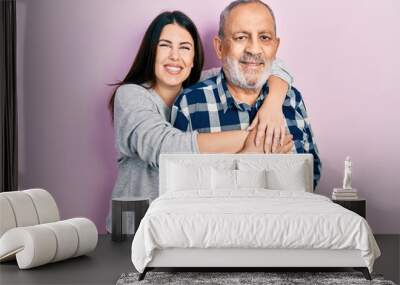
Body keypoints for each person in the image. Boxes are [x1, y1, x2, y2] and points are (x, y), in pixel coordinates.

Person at [106, 10, 293, 233]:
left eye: (185, 48)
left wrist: (272, 104)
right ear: (151, 52)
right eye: (165, 45)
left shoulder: (199, 86)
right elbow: (165, 148)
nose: (175, 56)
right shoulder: (131, 95)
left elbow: (269, 64)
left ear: (194, 59)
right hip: (135, 226)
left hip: (179, 228)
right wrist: (255, 139)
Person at [171, 0, 322, 188]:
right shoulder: (191, 104)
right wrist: (250, 162)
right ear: (219, 47)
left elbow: (311, 175)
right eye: (241, 37)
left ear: (275, 47)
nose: (254, 49)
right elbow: (181, 190)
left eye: (265, 38)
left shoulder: (291, 99)